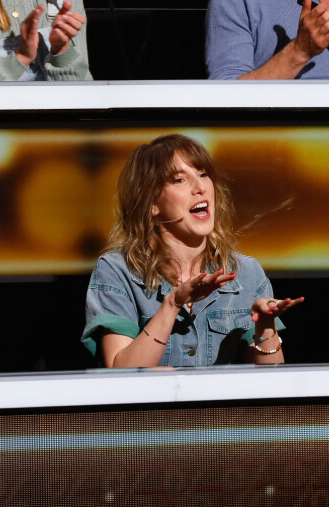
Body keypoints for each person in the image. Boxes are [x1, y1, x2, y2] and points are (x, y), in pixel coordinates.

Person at [82, 134, 303, 367]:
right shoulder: (117, 271)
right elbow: (123, 375)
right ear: (151, 203)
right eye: (179, 180)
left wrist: (265, 325)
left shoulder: (246, 273)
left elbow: (270, 385)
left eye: (203, 174)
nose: (200, 188)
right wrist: (172, 304)